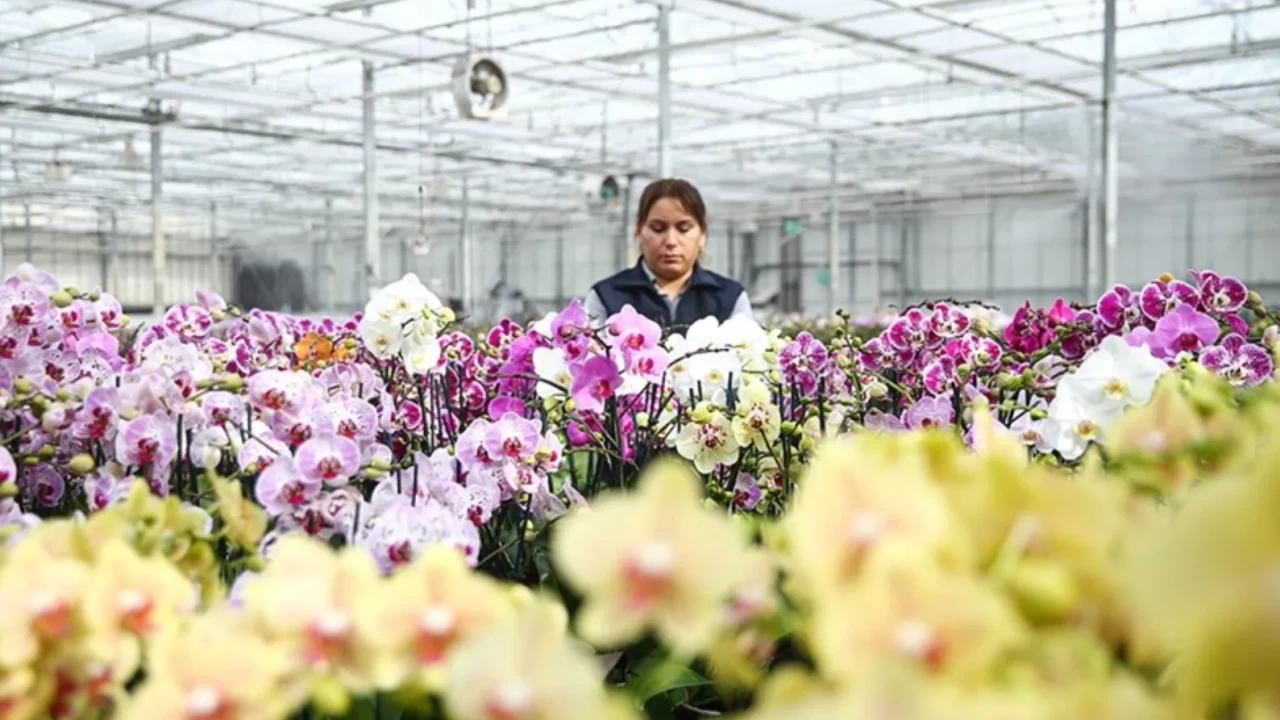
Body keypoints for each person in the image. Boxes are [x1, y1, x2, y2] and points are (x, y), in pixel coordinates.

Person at [584, 178, 752, 328]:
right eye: (658, 228)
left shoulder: (730, 297)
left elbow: (747, 358)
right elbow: (590, 356)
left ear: (702, 234)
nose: (671, 241)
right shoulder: (606, 297)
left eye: (684, 229)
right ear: (639, 232)